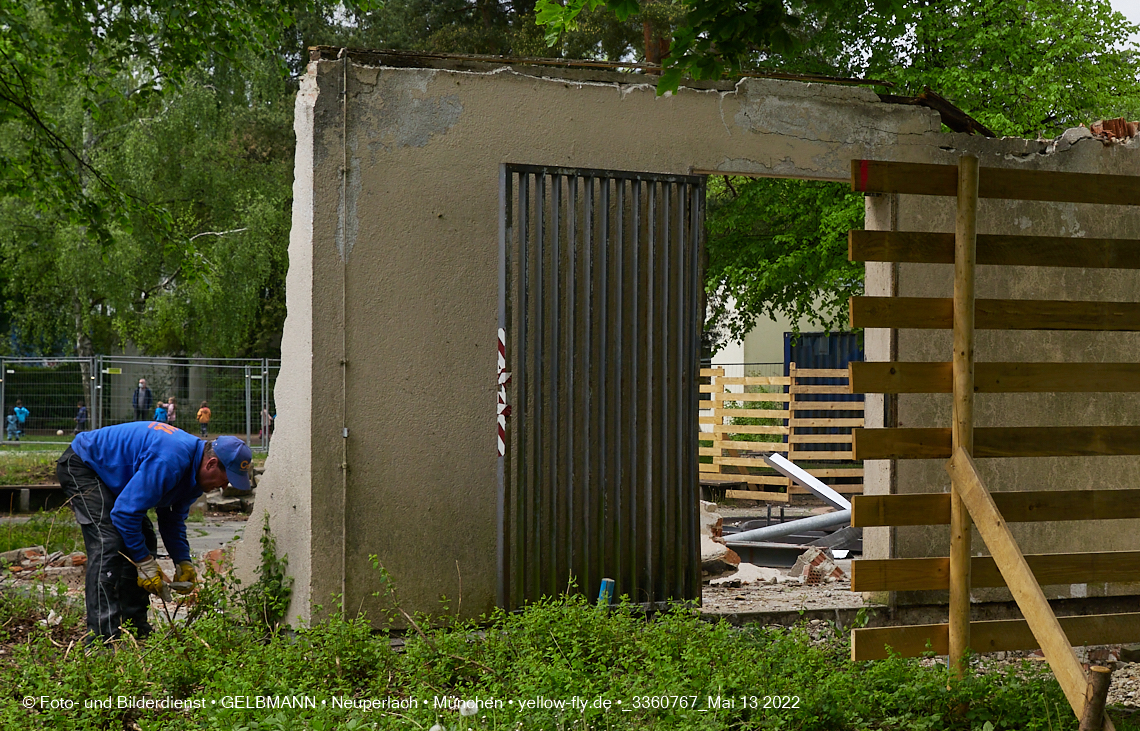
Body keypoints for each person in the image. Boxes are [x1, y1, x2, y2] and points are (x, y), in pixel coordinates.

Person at [56, 423, 252, 641]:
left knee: (144, 538)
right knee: (108, 543)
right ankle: (101, 641)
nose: (224, 487)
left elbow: (172, 518)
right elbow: (124, 514)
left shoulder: (195, 477)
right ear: (212, 463)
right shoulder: (170, 460)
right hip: (85, 465)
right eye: (226, 479)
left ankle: (135, 628)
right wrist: (144, 563)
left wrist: (182, 561)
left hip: (111, 476)